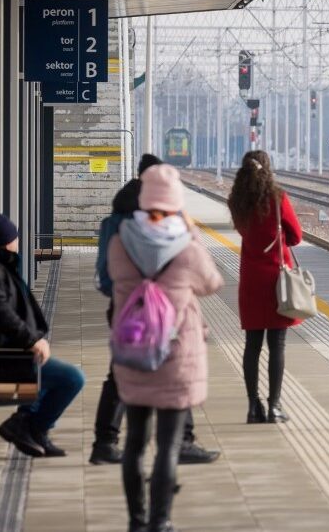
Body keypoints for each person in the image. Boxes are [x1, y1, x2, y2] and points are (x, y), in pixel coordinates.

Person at [109, 164, 223, 532]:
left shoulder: (120, 241)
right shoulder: (186, 248)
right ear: (176, 205)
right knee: (168, 446)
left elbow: (113, 281)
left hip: (134, 351)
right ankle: (161, 521)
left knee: (135, 444)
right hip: (175, 355)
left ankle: (136, 521)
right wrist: (191, 232)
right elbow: (212, 283)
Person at [90, 153, 219, 466]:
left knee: (122, 372)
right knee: (177, 373)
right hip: (167, 314)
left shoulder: (117, 219)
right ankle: (183, 441)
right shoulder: (167, 226)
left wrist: (122, 296)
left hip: (125, 310)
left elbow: (104, 275)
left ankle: (105, 441)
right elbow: (209, 281)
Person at [0, 214, 86, 458]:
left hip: (3, 351)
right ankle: (33, 426)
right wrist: (31, 340)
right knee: (72, 378)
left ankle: (27, 424)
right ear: (6, 241)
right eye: (15, 237)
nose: (18, 242)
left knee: (54, 375)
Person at [227, 151, 303, 425]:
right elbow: (296, 235)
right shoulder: (278, 197)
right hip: (276, 280)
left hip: (250, 282)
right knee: (277, 345)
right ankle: (274, 406)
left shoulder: (237, 202)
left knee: (252, 345)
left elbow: (243, 231)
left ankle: (252, 407)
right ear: (267, 169)